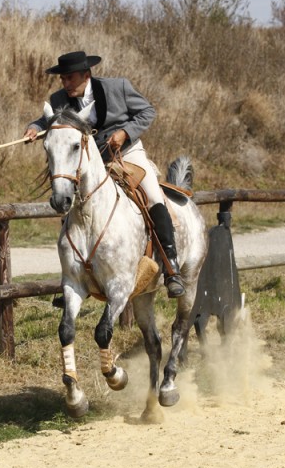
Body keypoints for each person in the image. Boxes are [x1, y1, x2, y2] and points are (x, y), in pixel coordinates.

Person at [24, 51, 185, 298]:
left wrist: (125, 132)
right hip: (91, 162)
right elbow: (48, 121)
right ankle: (77, 277)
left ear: (86, 75)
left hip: (127, 153)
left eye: (69, 78)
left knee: (153, 196)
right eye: (63, 79)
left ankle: (172, 269)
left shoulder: (117, 87)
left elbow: (147, 112)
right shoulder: (59, 99)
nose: (65, 84)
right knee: (76, 206)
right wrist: (35, 129)